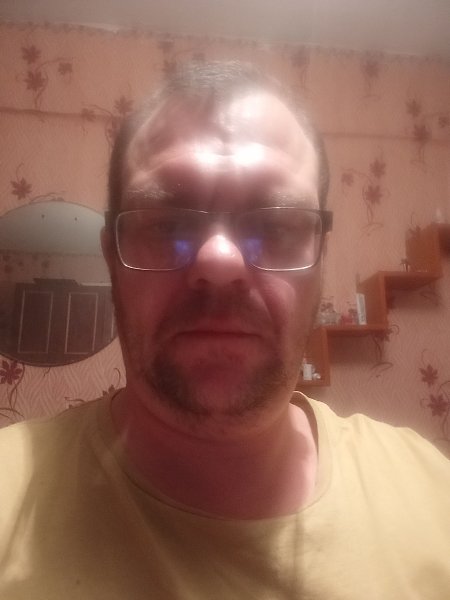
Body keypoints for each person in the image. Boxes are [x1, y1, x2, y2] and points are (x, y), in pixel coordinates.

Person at [0, 61, 449, 599]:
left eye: (275, 224)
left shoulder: (430, 493)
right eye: (167, 224)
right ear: (111, 259)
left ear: (321, 261)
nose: (219, 260)